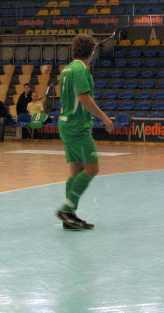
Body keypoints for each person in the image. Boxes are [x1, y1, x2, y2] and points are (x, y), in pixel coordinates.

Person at [55, 34, 113, 230]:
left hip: (65, 123)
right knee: (92, 168)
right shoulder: (81, 70)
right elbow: (84, 98)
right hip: (77, 126)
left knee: (75, 170)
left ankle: (69, 217)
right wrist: (104, 118)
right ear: (92, 51)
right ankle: (66, 208)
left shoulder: (67, 70)